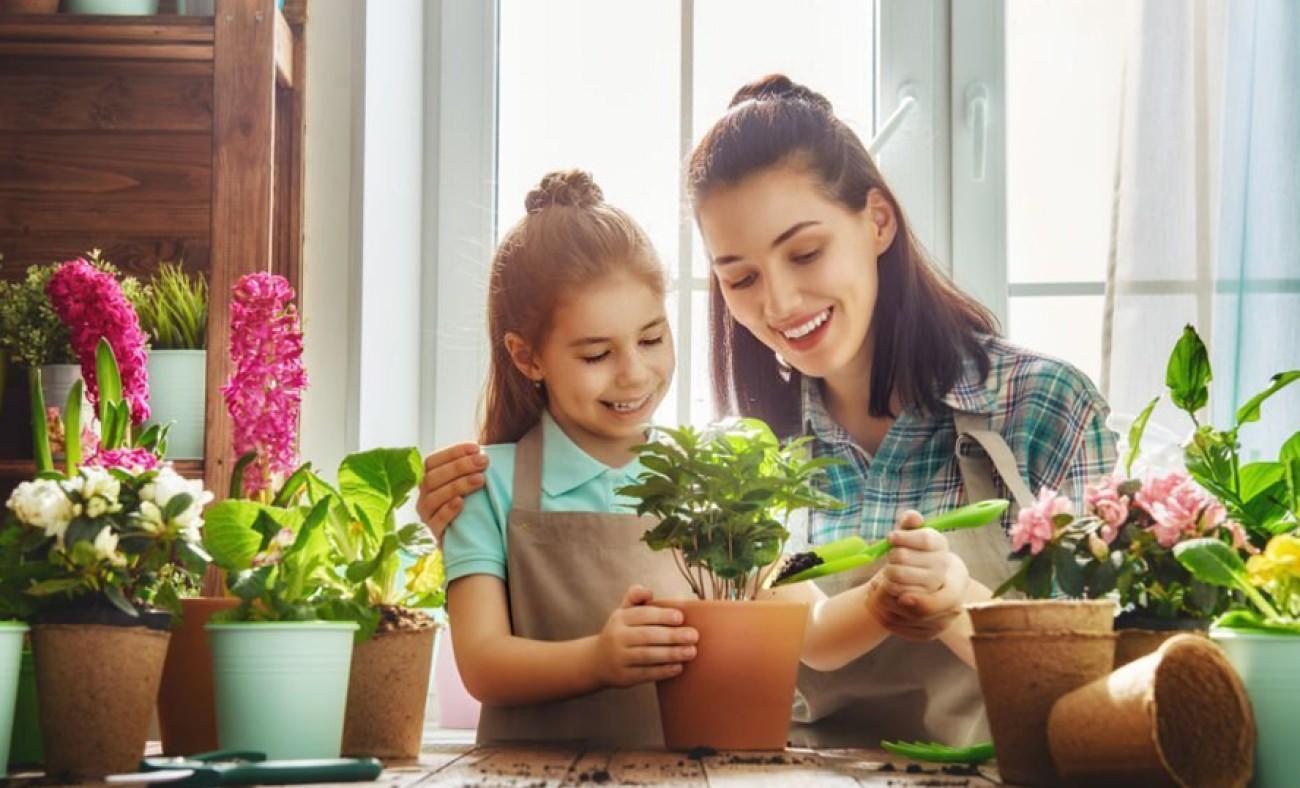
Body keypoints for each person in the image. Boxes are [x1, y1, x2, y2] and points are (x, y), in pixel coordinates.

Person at [426, 76, 1117, 747]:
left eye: (806, 252)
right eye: (742, 277)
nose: (781, 303)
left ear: (877, 220)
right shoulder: (744, 460)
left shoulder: (1042, 408)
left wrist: (959, 602)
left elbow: (1101, 688)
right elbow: (806, 637)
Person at [444, 169, 979, 749]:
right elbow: (483, 664)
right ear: (528, 358)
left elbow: (815, 635)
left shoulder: (716, 482)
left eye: (651, 339)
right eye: (596, 353)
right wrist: (596, 660)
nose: (634, 374)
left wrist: (883, 596)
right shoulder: (485, 485)